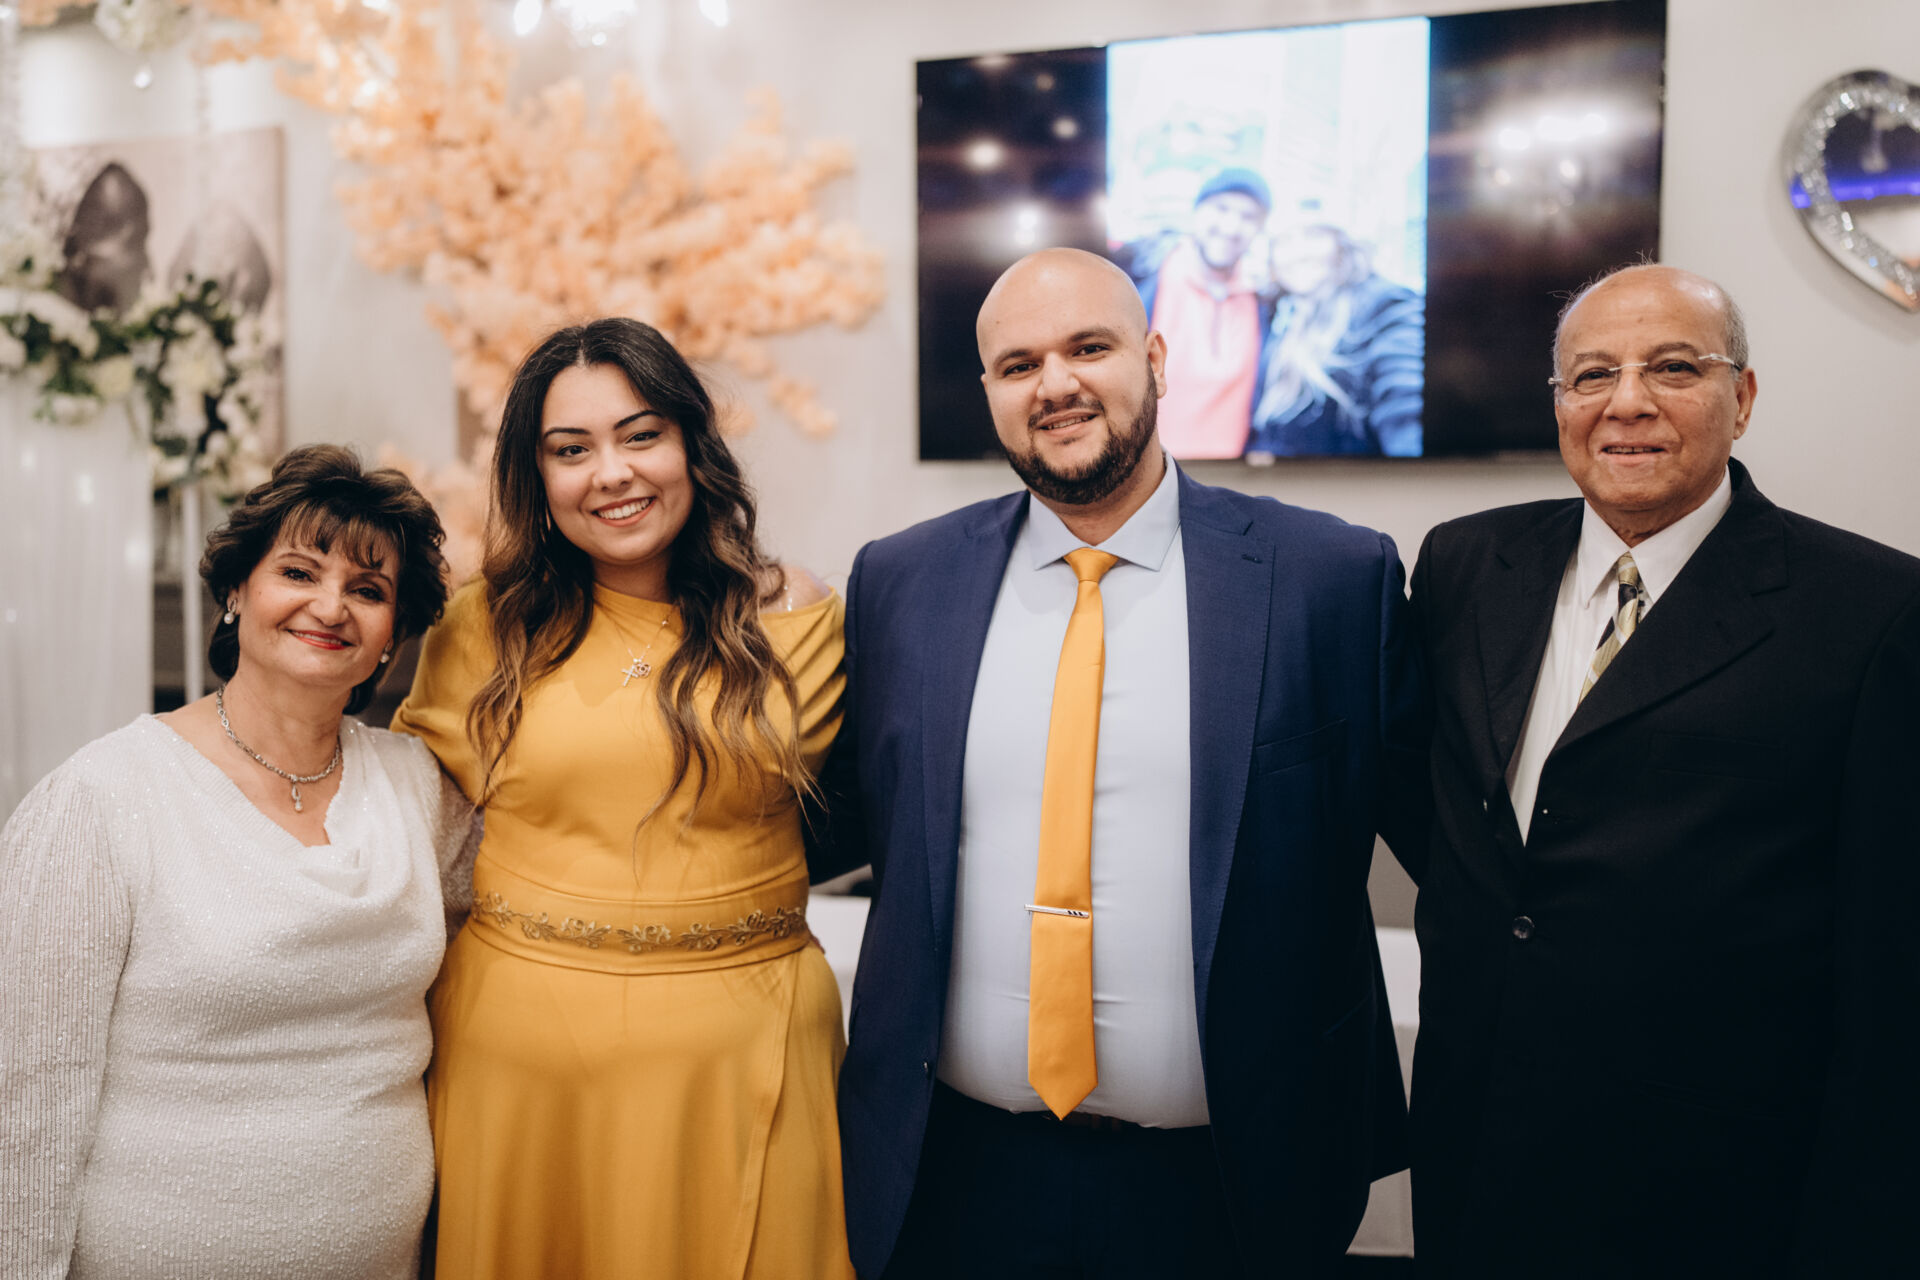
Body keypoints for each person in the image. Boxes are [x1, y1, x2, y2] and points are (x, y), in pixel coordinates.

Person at [817, 248, 1429, 1278]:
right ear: (988, 392)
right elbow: (822, 820)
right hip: (951, 1173)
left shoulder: (1329, 579)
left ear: (1154, 358)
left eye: (1088, 348)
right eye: (1019, 365)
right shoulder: (900, 581)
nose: (1054, 383)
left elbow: (1449, 843)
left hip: (1234, 1184)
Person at [1407, 263, 1920, 1275]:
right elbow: (1437, 807)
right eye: (1592, 374)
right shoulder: (1465, 565)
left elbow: (1889, 963)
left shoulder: (1872, 612)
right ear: (1559, 403)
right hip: (1477, 1143)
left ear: (1743, 397)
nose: (1627, 401)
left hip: (1715, 1179)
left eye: (1674, 367)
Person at [392, 317, 852, 1279]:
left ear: (692, 443)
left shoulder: (794, 617)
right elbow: (407, 835)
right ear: (537, 475)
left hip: (744, 1054)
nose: (612, 473)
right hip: (525, 1066)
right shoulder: (484, 629)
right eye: (572, 450)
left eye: (642, 435)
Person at [0, 444, 469, 1279]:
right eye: (298, 572)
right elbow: (28, 1091)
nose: (331, 606)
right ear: (237, 592)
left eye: (369, 590)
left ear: (393, 636)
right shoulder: (102, 796)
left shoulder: (418, 788)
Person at [1116, 167, 1276, 459]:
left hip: (1231, 477)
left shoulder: (1264, 300)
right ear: (1197, 211)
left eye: (1248, 217)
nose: (1231, 227)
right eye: (1221, 208)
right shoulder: (1141, 275)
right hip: (1147, 472)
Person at [1248, 223, 1424, 459]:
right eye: (1284, 241)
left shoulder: (1384, 304)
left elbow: (1405, 396)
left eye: (1313, 235)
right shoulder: (1278, 316)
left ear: (1342, 244)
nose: (1299, 252)